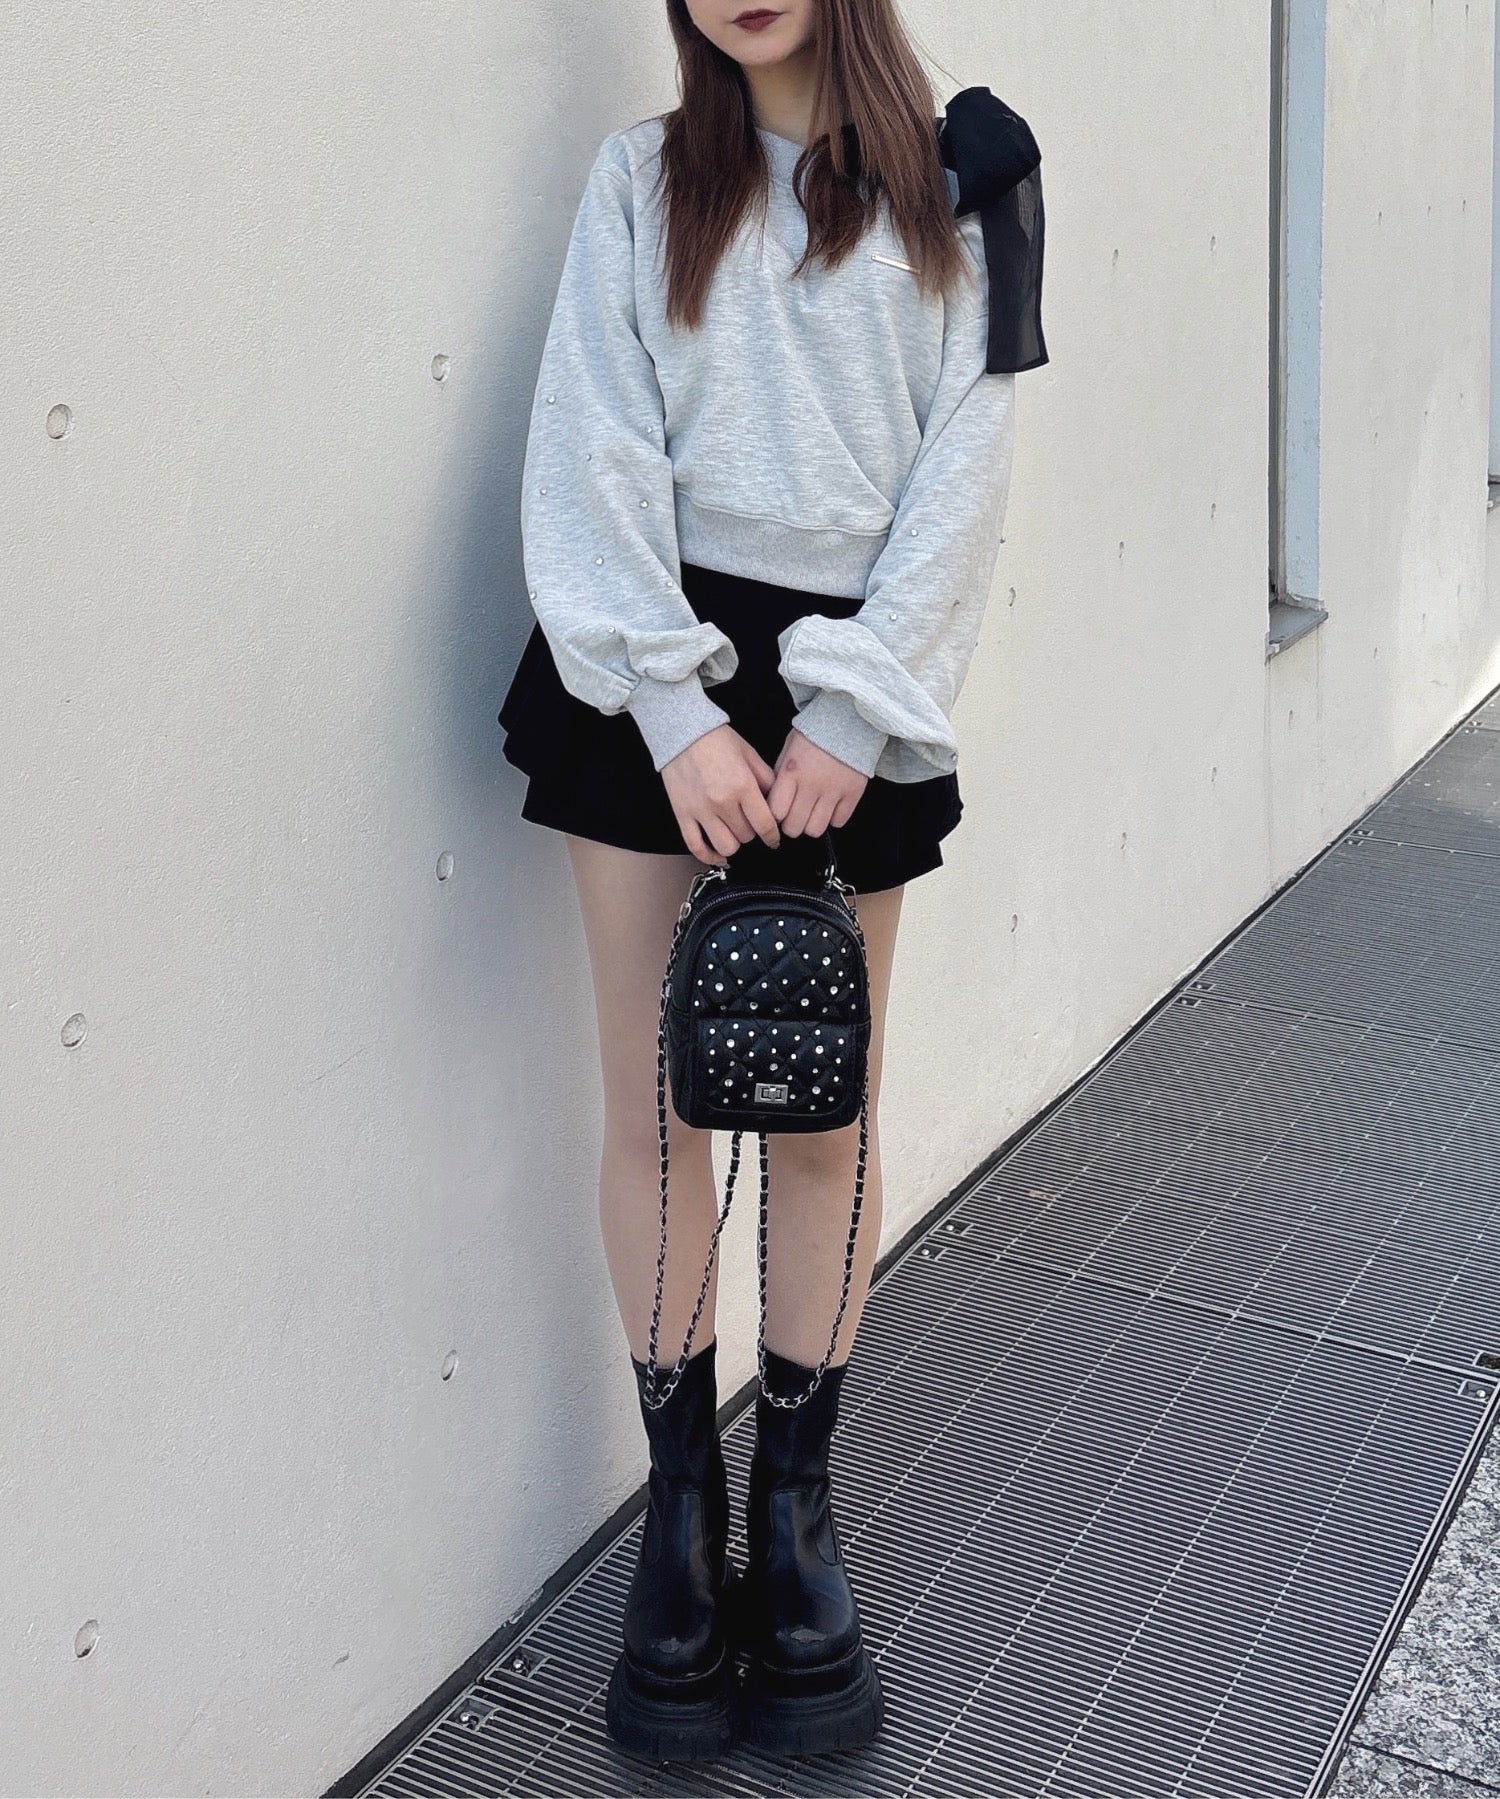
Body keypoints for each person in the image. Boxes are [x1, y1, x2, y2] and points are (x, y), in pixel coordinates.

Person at [497, 0, 1046, 1763]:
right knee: (659, 1113)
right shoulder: (642, 182)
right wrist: (674, 712)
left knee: (825, 1118)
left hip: (855, 693)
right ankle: (682, 1517)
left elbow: (966, 468)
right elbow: (589, 443)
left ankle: (796, 1510)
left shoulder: (969, 184)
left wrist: (856, 714)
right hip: (648, 676)